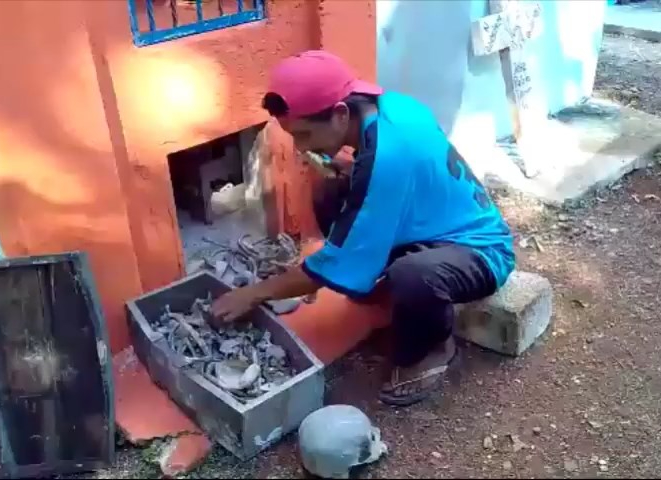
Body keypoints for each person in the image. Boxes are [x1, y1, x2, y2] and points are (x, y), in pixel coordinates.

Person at [210, 50, 515, 406]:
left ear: (340, 114)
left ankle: (431, 352)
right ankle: (376, 282)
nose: (300, 147)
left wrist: (254, 292)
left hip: (480, 251)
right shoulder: (392, 106)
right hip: (431, 225)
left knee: (412, 276)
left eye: (306, 134)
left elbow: (335, 254)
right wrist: (348, 164)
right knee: (332, 193)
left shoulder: (387, 159)